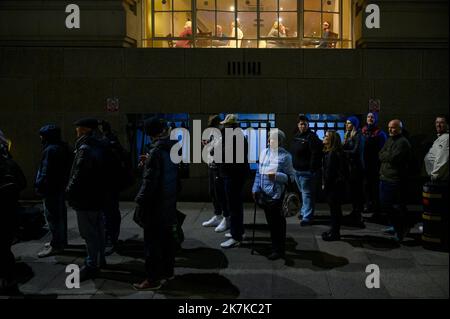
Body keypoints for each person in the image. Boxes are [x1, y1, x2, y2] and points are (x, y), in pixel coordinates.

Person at [133, 117, 178, 291]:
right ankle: (167, 272)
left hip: (155, 205)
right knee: (167, 241)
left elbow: (149, 183)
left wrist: (139, 201)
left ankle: (152, 279)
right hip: (168, 202)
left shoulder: (155, 153)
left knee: (151, 244)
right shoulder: (172, 148)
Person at [66, 118, 108, 281]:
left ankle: (92, 264)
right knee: (98, 230)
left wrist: (69, 191)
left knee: (88, 233)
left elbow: (79, 175)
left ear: (84, 130)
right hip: (98, 196)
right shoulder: (100, 145)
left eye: (78, 128)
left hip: (85, 198)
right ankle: (100, 260)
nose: (76, 131)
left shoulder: (85, 148)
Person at [252, 129, 295, 260]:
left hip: (276, 196)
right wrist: (255, 188)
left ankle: (279, 250)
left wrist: (276, 176)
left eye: (273, 139)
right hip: (264, 194)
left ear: (279, 141)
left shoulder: (285, 156)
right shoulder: (264, 152)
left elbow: (291, 177)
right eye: (270, 138)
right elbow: (258, 173)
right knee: (270, 223)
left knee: (278, 224)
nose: (270, 141)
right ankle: (274, 245)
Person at [35, 125, 72, 258]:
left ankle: (56, 245)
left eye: (42, 135)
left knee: (52, 217)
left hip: (50, 189)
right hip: (59, 187)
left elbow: (45, 172)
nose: (40, 138)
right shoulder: (62, 147)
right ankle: (62, 241)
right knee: (60, 215)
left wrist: (39, 185)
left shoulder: (50, 150)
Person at [218, 114, 250, 248]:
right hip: (235, 175)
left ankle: (236, 236)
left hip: (233, 176)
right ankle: (237, 232)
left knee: (234, 206)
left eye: (225, 124)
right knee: (235, 206)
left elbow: (225, 155)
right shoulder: (236, 136)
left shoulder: (233, 137)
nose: (223, 126)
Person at [100, 120, 131, 256]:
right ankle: (112, 238)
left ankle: (110, 240)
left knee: (108, 213)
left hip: (107, 184)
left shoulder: (106, 145)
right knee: (112, 211)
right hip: (113, 184)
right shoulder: (114, 142)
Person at [0, 136, 26, 294]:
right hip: (10, 212)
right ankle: (7, 278)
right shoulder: (10, 163)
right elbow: (23, 183)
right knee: (4, 246)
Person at [379, 119, 412, 242]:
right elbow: (380, 154)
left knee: (391, 206)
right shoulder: (389, 139)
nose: (390, 130)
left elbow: (393, 158)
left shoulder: (402, 142)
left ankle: (400, 229)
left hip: (394, 179)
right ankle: (396, 226)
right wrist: (386, 155)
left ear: (399, 129)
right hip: (385, 177)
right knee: (386, 204)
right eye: (389, 127)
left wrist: (386, 155)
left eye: (393, 127)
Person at [290, 115, 323, 226]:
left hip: (306, 171)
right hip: (297, 170)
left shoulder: (311, 137)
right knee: (303, 193)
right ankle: (304, 212)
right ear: (298, 125)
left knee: (307, 194)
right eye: (300, 124)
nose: (302, 126)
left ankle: (307, 217)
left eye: (304, 124)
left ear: (308, 125)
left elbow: (316, 154)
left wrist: (312, 168)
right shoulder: (296, 135)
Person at [202, 115, 230, 232]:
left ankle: (226, 217)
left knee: (221, 194)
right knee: (212, 192)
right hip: (212, 167)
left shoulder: (223, 135)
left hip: (219, 168)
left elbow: (219, 152)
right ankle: (218, 215)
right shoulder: (212, 135)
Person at [321, 130, 347, 241]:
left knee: (334, 211)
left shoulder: (332, 154)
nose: (324, 137)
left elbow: (329, 173)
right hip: (337, 186)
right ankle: (334, 230)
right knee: (336, 210)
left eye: (326, 136)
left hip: (334, 187)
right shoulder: (335, 152)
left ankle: (335, 233)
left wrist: (325, 185)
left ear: (331, 140)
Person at [361, 112, 387, 219]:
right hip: (364, 164)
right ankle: (368, 205)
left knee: (375, 188)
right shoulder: (363, 131)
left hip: (375, 165)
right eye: (368, 117)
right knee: (366, 186)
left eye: (372, 117)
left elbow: (382, 150)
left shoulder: (380, 134)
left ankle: (376, 209)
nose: (370, 119)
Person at [342, 116, 365, 228]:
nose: (347, 125)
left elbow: (356, 151)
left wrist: (342, 152)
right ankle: (355, 211)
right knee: (353, 190)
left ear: (355, 124)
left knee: (357, 191)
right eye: (346, 123)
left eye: (349, 123)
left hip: (357, 168)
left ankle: (358, 214)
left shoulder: (359, 135)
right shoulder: (349, 135)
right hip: (351, 167)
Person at [424, 116, 449, 182]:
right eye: (437, 122)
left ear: (448, 125)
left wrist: (435, 176)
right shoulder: (442, 137)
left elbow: (442, 159)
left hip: (439, 180)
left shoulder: (446, 138)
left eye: (442, 122)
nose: (438, 125)